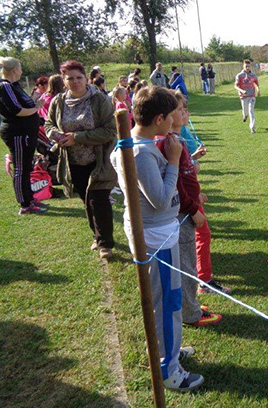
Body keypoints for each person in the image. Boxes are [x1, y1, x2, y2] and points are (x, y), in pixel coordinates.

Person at [110, 86, 204, 392]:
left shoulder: (142, 144)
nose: (177, 117)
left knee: (169, 299)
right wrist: (174, 160)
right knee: (167, 302)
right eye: (172, 113)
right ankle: (168, 369)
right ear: (160, 118)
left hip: (162, 233)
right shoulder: (141, 151)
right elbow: (161, 200)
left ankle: (170, 351)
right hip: (155, 238)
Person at [156, 92, 222, 327]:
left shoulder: (176, 140)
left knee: (188, 260)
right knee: (185, 263)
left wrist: (197, 194)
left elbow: (185, 177)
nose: (187, 113)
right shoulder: (170, 143)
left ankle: (190, 305)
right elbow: (175, 185)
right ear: (167, 115)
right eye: (182, 109)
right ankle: (191, 313)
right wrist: (193, 207)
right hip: (183, 214)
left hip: (187, 208)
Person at [45, 60, 117, 259]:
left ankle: (105, 244)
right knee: (86, 200)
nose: (75, 82)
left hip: (99, 159)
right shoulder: (58, 102)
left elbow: (110, 130)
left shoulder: (99, 100)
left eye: (79, 77)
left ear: (86, 78)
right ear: (64, 81)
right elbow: (48, 124)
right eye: (70, 78)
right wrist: (56, 135)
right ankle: (96, 235)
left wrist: (77, 138)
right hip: (73, 161)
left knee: (99, 199)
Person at [0, 57, 47, 215]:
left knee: (27, 166)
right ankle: (25, 204)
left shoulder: (15, 85)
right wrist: (36, 108)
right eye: (20, 67)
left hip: (27, 131)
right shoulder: (5, 86)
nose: (21, 70)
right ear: (14, 69)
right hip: (17, 132)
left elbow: (25, 105)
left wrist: (35, 106)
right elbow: (17, 110)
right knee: (21, 167)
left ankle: (29, 197)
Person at [234, 59, 260, 134]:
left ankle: (252, 128)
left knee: (251, 111)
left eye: (248, 66)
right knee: (245, 112)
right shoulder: (239, 75)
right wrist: (242, 91)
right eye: (246, 66)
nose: (247, 68)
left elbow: (257, 84)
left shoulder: (253, 75)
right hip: (244, 96)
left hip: (252, 95)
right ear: (243, 66)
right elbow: (235, 86)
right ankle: (245, 116)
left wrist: (258, 91)